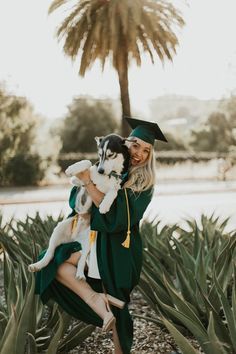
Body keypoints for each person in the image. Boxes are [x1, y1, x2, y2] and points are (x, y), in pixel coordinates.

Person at [35, 117, 167, 354]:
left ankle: (120, 347)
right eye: (136, 145)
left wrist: (88, 184)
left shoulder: (143, 183)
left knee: (118, 305)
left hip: (119, 248)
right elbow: (78, 202)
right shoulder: (110, 164)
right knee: (53, 260)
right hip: (95, 242)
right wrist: (85, 183)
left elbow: (117, 218)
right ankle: (94, 299)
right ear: (126, 143)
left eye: (147, 150)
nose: (140, 154)